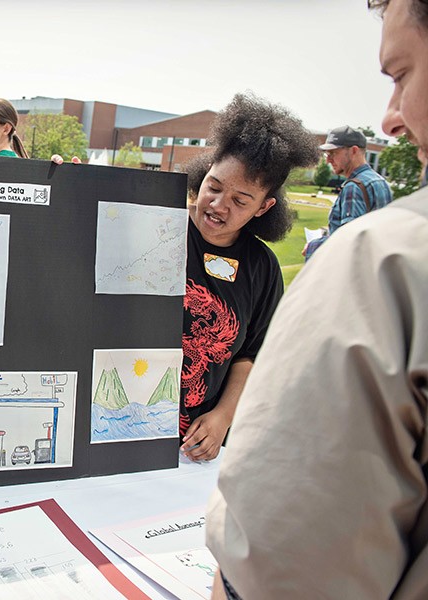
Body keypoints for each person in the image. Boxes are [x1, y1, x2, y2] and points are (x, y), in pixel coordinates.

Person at [206, 1, 428, 597]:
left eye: (402, 74)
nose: (393, 117)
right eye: (212, 186)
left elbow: (292, 549)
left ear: (266, 208)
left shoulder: (383, 263)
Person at [178, 93, 319, 462]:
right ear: (203, 173)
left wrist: (222, 418)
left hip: (197, 442)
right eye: (214, 186)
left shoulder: (262, 267)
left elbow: (252, 352)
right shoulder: (158, 223)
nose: (219, 205)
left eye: (241, 200)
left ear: (264, 207)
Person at [303, 124, 392, 259]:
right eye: (327, 154)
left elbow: (348, 242)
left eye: (333, 153)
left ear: (353, 151)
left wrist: (312, 246)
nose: (328, 160)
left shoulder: (354, 186)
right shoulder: (381, 182)